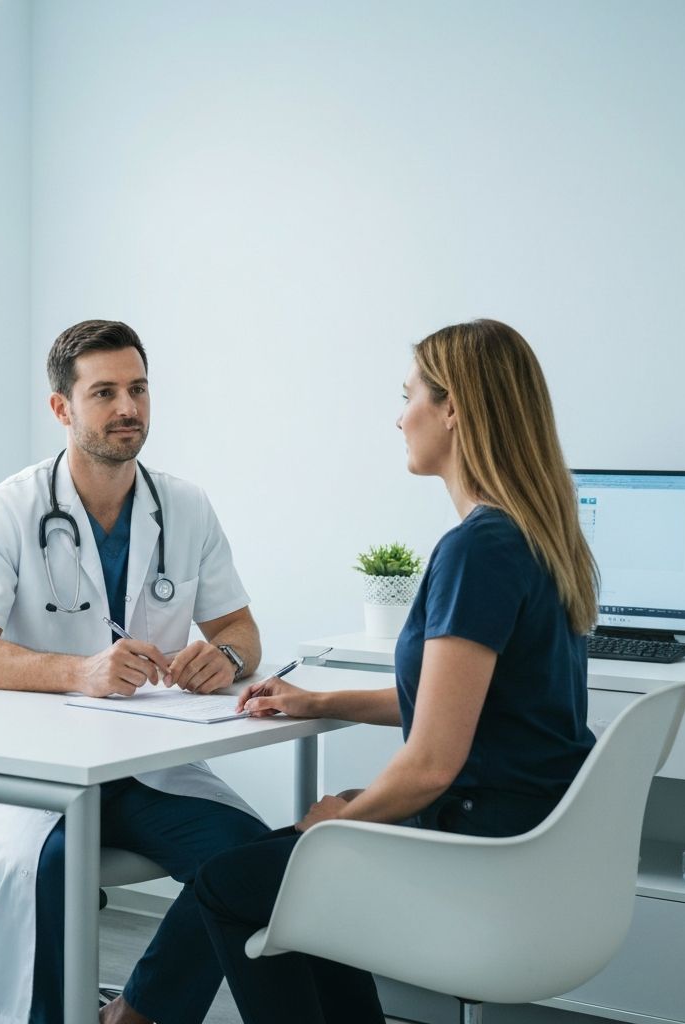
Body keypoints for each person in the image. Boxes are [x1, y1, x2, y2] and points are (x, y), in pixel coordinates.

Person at [194, 318, 599, 1024]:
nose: (399, 416)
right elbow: (461, 705)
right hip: (527, 835)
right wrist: (320, 703)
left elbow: (432, 764)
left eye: (409, 395)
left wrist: (336, 828)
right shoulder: (537, 537)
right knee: (299, 879)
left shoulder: (479, 550)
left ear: (453, 408)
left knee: (228, 883)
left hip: (479, 850)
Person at [0, 319, 269, 1024]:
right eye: (105, 392)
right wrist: (79, 672)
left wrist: (227, 657)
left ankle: (140, 1012)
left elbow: (242, 631)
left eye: (139, 389)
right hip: (31, 774)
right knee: (52, 865)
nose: (129, 408)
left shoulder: (184, 506)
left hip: (143, 770)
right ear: (61, 407)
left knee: (249, 857)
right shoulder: (6, 509)